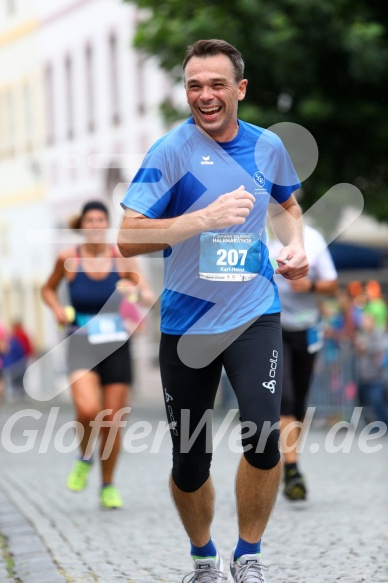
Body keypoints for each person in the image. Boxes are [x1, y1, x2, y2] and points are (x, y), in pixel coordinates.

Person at [118, 39, 308, 583]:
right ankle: (205, 560)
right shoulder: (170, 152)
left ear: (240, 90)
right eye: (195, 85)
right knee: (189, 461)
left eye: (217, 84)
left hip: (253, 314)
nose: (205, 95)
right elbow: (128, 237)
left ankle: (248, 555)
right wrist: (200, 219)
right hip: (187, 324)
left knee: (265, 437)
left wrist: (293, 246)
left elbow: (288, 207)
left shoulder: (268, 146)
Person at [42, 200, 155, 509]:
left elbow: (147, 295)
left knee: (112, 421)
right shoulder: (69, 260)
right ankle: (84, 456)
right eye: (89, 220)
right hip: (81, 342)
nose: (94, 226)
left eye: (100, 220)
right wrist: (57, 310)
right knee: (88, 410)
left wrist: (133, 293)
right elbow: (47, 289)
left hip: (117, 345)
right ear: (83, 225)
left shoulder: (123, 261)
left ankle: (107, 485)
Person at [267, 224, 338, 501]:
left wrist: (309, 285)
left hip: (307, 328)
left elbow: (332, 286)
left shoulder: (314, 239)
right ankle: (293, 468)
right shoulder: (262, 238)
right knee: (284, 397)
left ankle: (290, 459)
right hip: (272, 326)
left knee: (299, 403)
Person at [354, 311, 388, 429]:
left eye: (366, 320)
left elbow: (378, 349)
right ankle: (372, 425)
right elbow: (358, 349)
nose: (364, 323)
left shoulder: (378, 334)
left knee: (377, 401)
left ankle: (383, 425)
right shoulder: (362, 334)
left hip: (376, 375)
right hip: (363, 374)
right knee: (363, 402)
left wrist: (365, 347)